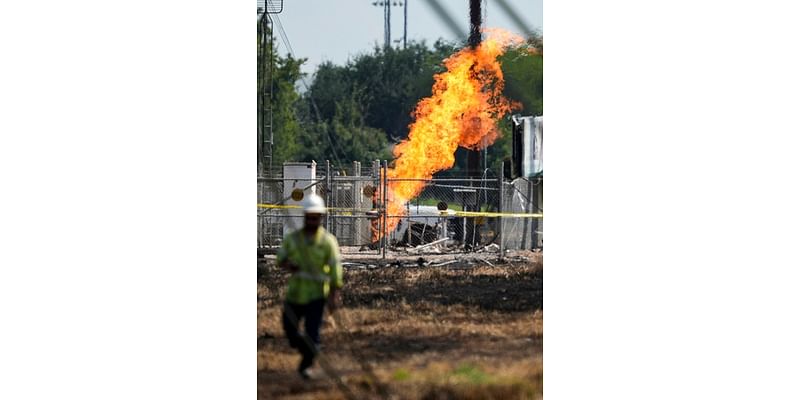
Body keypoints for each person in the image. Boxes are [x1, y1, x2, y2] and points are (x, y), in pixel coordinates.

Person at [277, 193, 343, 379]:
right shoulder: (293, 239)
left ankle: (307, 364)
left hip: (316, 295)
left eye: (316, 217)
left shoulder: (327, 242)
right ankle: (309, 348)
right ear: (304, 216)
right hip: (295, 293)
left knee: (312, 333)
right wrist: (288, 265)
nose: (313, 221)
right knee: (290, 330)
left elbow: (335, 267)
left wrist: (334, 292)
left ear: (320, 218)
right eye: (309, 217)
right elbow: (280, 258)